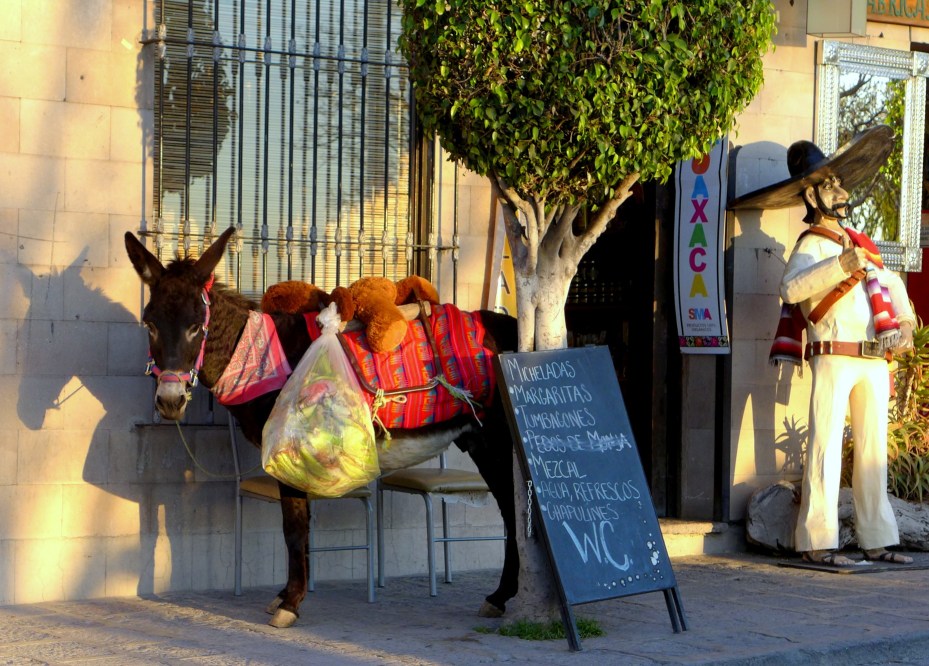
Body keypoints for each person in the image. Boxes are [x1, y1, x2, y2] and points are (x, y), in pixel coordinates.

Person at [731, 125, 915, 567]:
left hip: (873, 357)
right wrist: (840, 265)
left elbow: (891, 285)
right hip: (833, 354)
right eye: (829, 186)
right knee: (826, 447)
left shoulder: (862, 244)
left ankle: (877, 538)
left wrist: (906, 323)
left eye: (838, 183)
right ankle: (817, 540)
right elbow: (791, 288)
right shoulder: (812, 245)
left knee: (873, 453)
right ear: (811, 197)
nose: (840, 191)